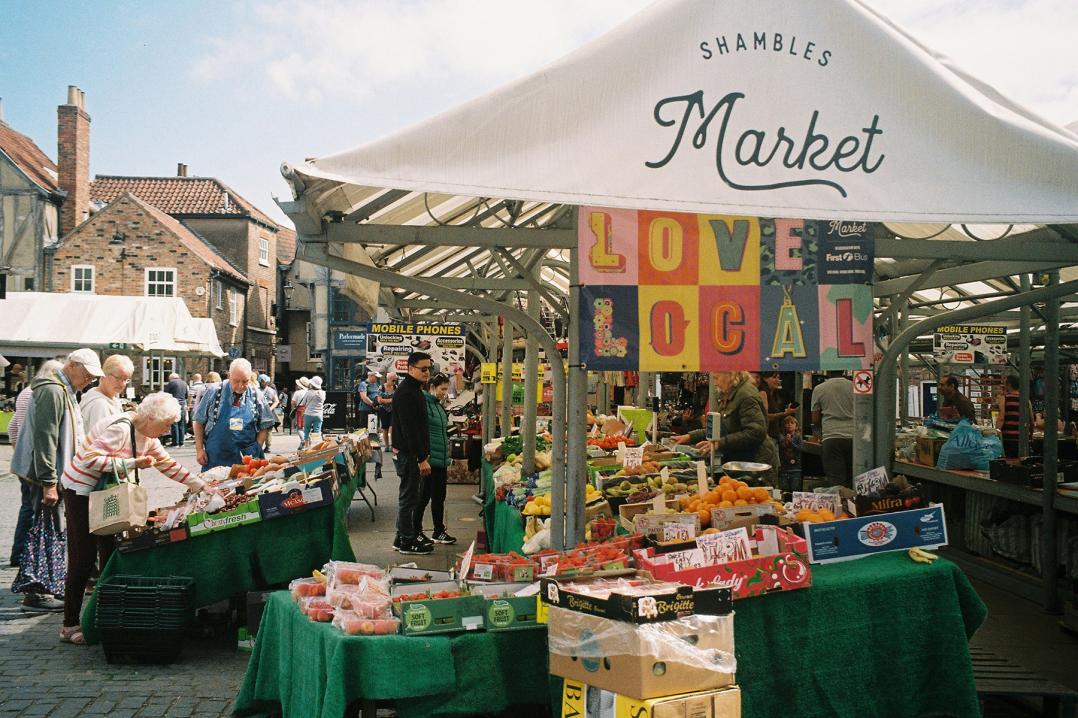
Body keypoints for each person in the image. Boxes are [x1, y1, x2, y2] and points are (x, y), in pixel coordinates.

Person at [59, 392, 208, 645]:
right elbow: (90, 459)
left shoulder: (148, 436)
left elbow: (168, 465)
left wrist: (202, 486)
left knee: (109, 556)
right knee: (83, 557)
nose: (168, 430)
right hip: (81, 493)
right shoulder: (120, 428)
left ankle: (100, 619)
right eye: (167, 424)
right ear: (151, 418)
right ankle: (69, 623)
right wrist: (132, 463)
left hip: (106, 496)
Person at [10, 349, 103, 612]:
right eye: (87, 375)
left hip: (53, 474)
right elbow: (45, 438)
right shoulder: (53, 390)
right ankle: (36, 591)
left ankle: (47, 586)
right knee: (45, 531)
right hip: (44, 476)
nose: (89, 381)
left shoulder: (65, 389)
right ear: (72, 366)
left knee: (52, 529)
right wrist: (49, 482)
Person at [7, 360, 63, 570]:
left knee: (27, 507)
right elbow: (44, 434)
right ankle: (25, 554)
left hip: (25, 460)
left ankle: (18, 551)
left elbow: (13, 428)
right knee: (36, 512)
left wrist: (18, 453)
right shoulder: (44, 394)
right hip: (36, 461)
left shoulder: (25, 393)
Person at [680, 371, 779, 482]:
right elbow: (719, 427)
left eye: (717, 377)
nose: (714, 382)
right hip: (741, 463)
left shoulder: (746, 395)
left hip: (755, 465)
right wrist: (690, 437)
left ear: (730, 375)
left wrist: (720, 443)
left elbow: (756, 432)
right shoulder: (727, 394)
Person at [193, 358, 275, 470]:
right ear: (229, 376)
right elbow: (198, 421)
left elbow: (264, 426)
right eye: (236, 381)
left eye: (245, 381)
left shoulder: (257, 395)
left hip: (246, 458)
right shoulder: (214, 392)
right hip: (216, 456)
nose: (241, 386)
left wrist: (257, 447)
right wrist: (199, 449)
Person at [392, 352, 434, 555]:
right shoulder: (407, 392)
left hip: (411, 454)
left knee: (410, 496)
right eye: (423, 369)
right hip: (410, 455)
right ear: (410, 368)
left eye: (429, 369)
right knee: (409, 498)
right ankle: (407, 541)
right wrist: (421, 458)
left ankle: (402, 536)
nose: (427, 373)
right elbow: (410, 429)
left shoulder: (413, 389)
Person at [420, 373, 456, 545]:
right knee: (422, 497)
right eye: (442, 389)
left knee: (439, 497)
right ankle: (416, 531)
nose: (444, 392)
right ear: (432, 387)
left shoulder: (438, 406)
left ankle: (438, 531)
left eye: (446, 389)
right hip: (428, 460)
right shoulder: (423, 404)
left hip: (441, 460)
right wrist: (421, 458)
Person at [811, 370, 855, 486]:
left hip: (831, 438)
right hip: (854, 438)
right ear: (844, 371)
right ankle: (853, 503)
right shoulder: (854, 386)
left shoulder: (819, 389)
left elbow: (815, 419)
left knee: (836, 482)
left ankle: (839, 503)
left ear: (828, 371)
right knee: (853, 479)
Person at [80, 355, 134, 431]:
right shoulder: (99, 405)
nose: (122, 384)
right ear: (104, 375)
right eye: (118, 378)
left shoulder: (112, 400)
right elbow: (100, 439)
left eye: (125, 380)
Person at [996, 374, 1034, 458]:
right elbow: (1031, 421)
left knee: (1010, 463)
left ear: (1009, 384)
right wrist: (1030, 435)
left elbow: (1001, 418)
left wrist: (996, 433)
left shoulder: (1004, 398)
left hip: (1008, 439)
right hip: (1023, 439)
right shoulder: (1026, 400)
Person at [760, 372, 796, 439]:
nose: (777, 380)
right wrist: (784, 413)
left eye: (778, 378)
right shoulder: (763, 393)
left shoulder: (776, 396)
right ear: (765, 379)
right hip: (767, 436)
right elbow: (765, 417)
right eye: (774, 377)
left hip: (776, 435)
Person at [777, 415, 803, 494]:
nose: (789, 425)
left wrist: (791, 442)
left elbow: (800, 449)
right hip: (784, 469)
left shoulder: (798, 437)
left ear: (796, 426)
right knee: (784, 491)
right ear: (784, 426)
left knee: (795, 492)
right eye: (787, 423)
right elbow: (781, 447)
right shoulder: (781, 436)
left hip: (796, 469)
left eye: (792, 423)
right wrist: (786, 440)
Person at [299, 376, 326, 446]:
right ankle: (316, 446)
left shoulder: (308, 393)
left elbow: (303, 403)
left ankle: (306, 447)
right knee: (317, 431)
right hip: (319, 414)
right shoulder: (323, 393)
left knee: (306, 431)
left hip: (308, 414)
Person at [163, 372, 188, 447]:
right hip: (182, 404)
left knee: (174, 423)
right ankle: (181, 442)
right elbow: (186, 395)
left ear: (171, 378)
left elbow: (165, 394)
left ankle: (175, 442)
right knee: (181, 423)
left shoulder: (171, 383)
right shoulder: (184, 383)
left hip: (173, 404)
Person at [259, 374, 280, 451]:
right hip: (267, 411)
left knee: (268, 429)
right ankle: (264, 446)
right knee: (266, 429)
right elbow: (276, 401)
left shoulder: (258, 390)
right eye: (263, 381)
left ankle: (267, 446)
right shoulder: (271, 390)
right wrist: (271, 408)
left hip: (264, 410)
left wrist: (270, 408)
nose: (264, 383)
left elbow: (276, 401)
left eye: (265, 381)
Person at [379, 372, 397, 447]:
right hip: (384, 409)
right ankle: (386, 445)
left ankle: (393, 444)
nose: (394, 382)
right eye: (393, 380)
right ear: (388, 379)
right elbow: (380, 400)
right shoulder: (382, 387)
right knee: (385, 428)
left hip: (393, 409)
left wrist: (387, 400)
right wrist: (391, 400)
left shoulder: (396, 387)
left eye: (395, 380)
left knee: (393, 427)